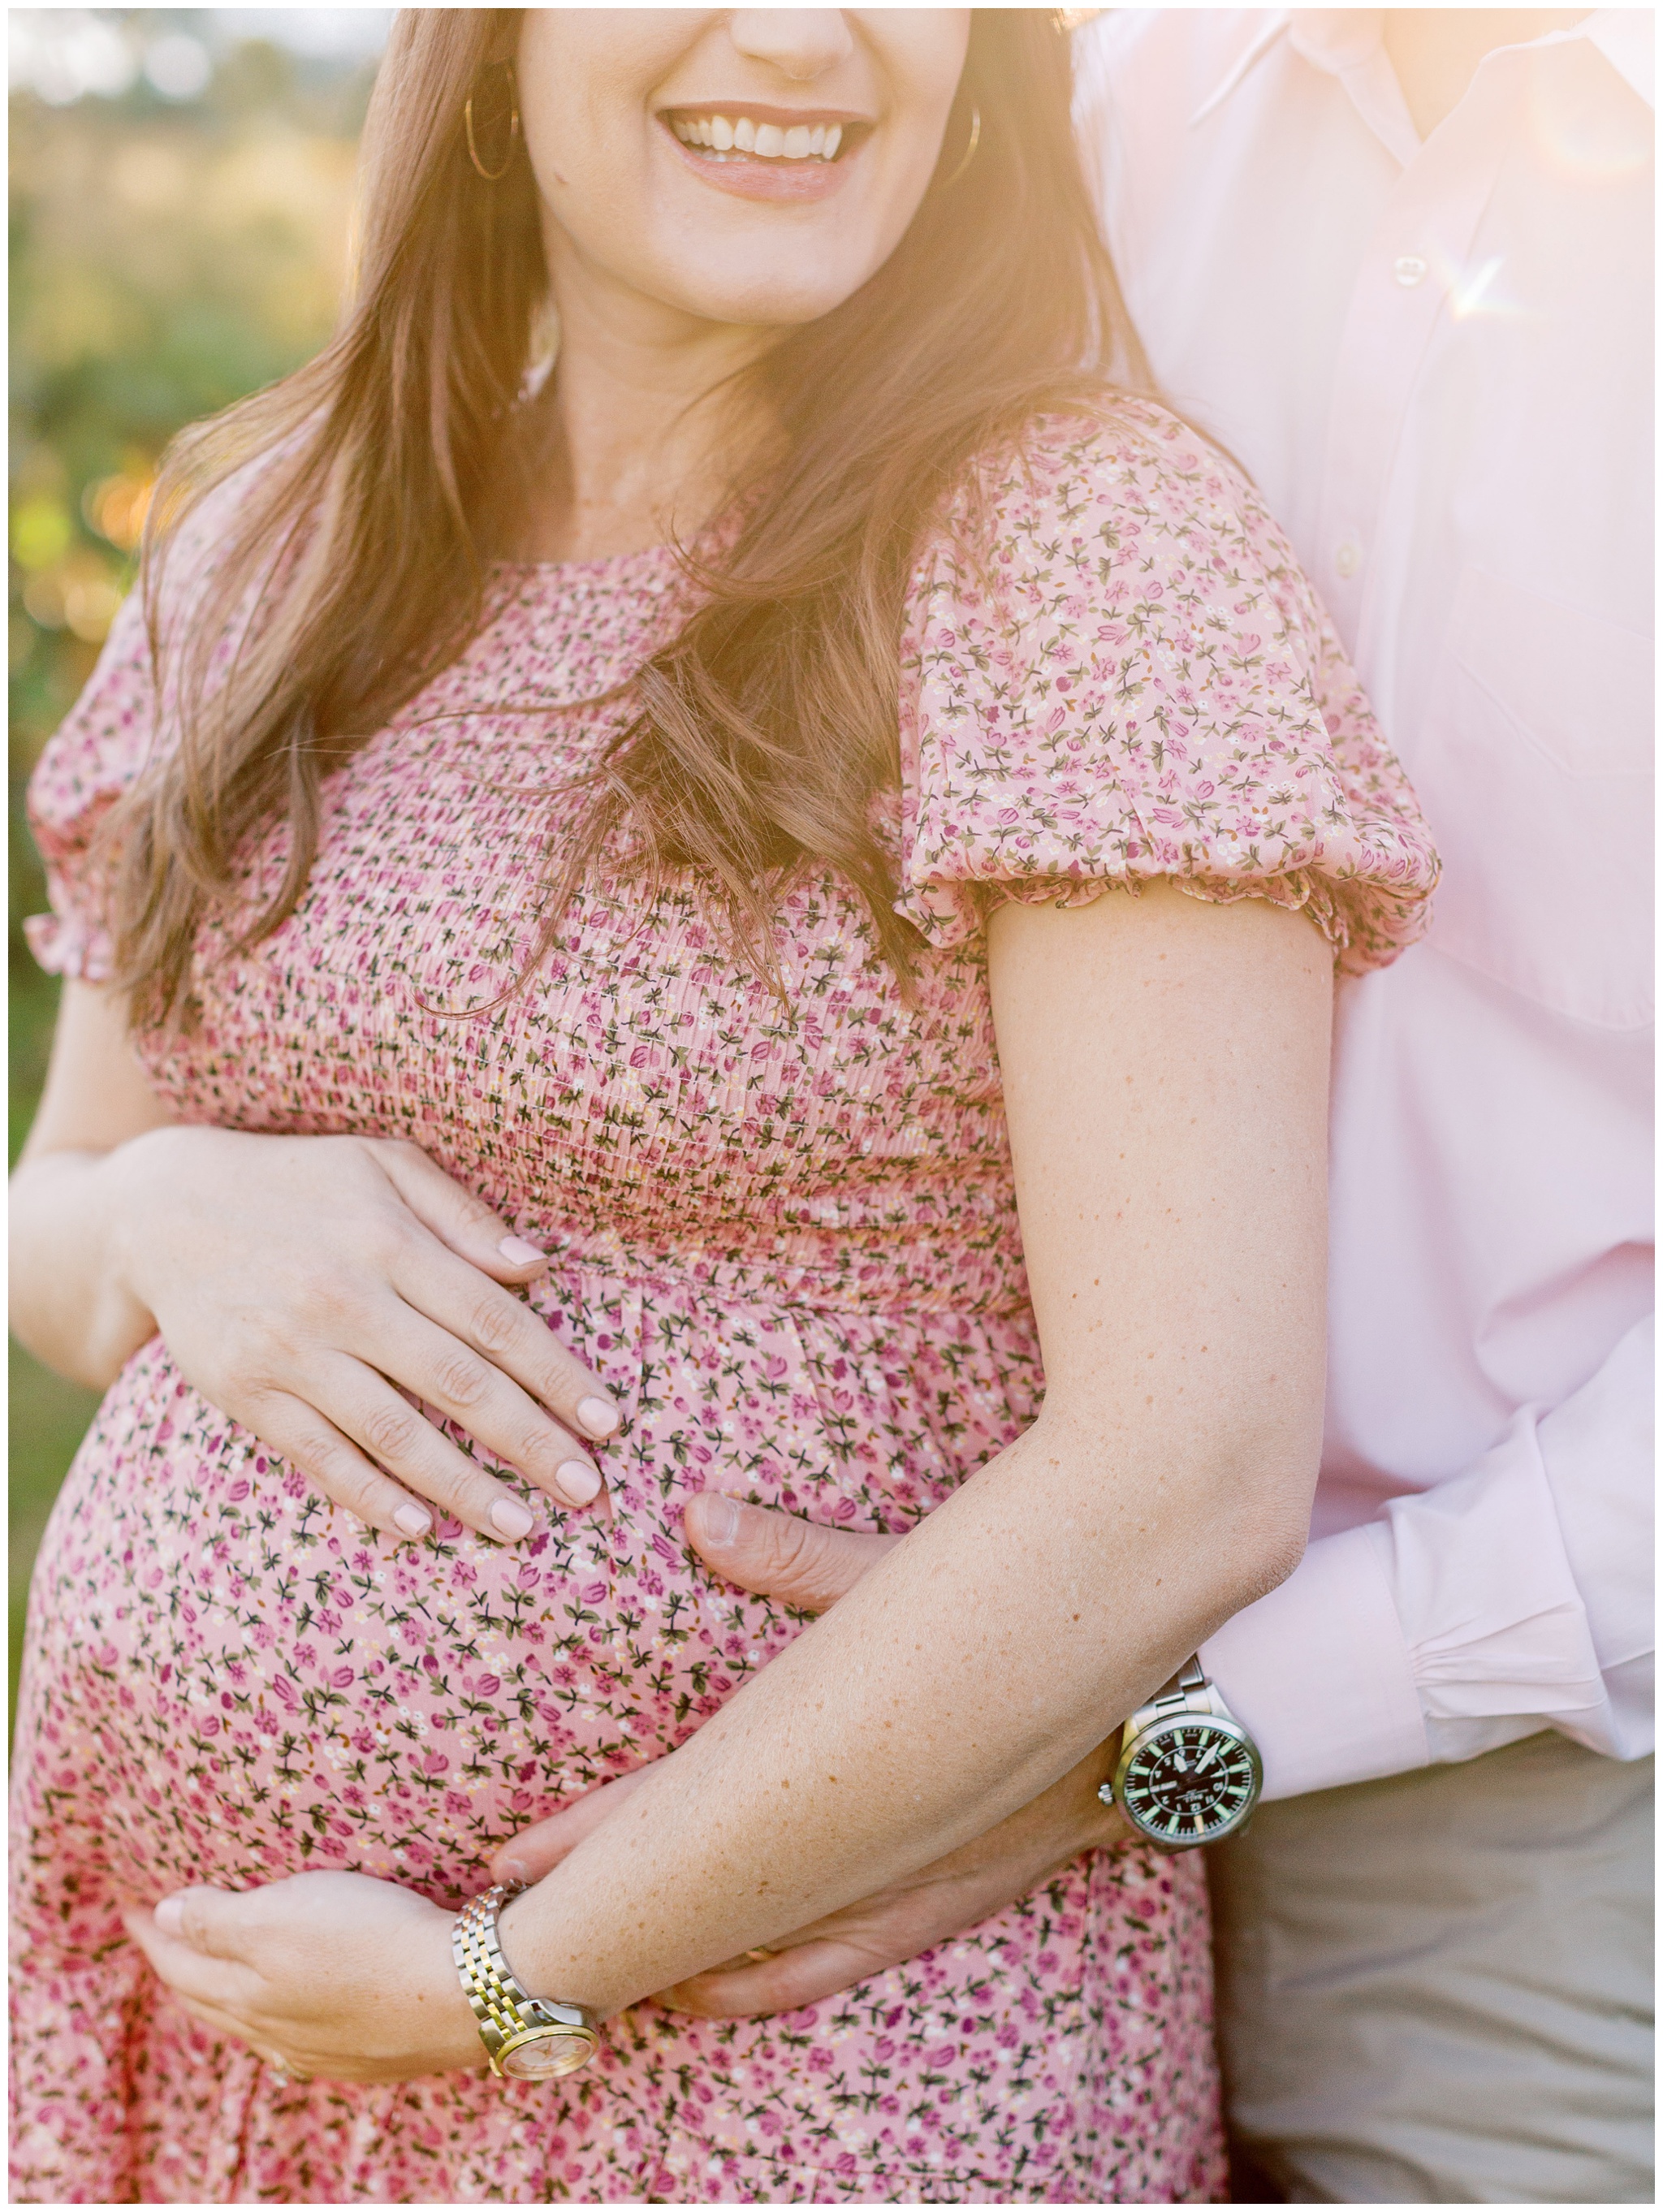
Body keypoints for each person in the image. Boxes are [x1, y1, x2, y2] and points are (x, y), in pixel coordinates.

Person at [7, 8, 1437, 2204]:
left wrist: (515, 1973)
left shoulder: (1070, 547)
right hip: (228, 2063)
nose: (799, 34)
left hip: (815, 2077)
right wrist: (168, 1209)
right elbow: (54, 1217)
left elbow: (1190, 1470)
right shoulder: (272, 546)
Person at [508, 8, 1653, 2203]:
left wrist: (1182, 1722)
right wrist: (172, 1192)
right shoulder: (1057, 108)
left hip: (1535, 1782)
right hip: (902, 1726)